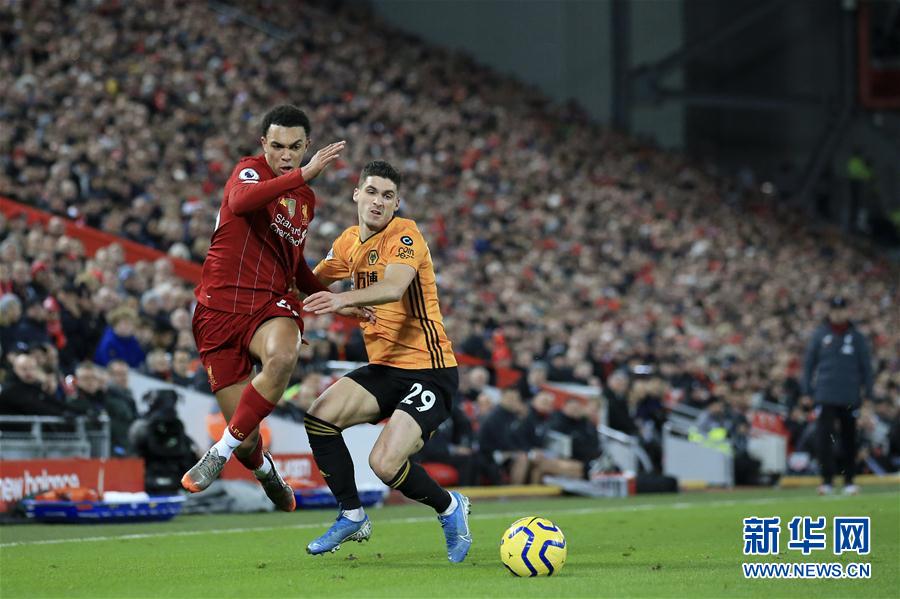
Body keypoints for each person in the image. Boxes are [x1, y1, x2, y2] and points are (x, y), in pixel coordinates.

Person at [300, 160, 472, 562]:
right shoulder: (347, 243)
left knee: (384, 462)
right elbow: (307, 284)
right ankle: (352, 514)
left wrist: (341, 300)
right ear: (357, 194)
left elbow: (394, 286)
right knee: (319, 417)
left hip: (429, 369)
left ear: (396, 204)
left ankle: (450, 507)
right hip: (385, 368)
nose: (378, 201)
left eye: (388, 196)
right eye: (372, 192)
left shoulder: (405, 235)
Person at [180, 105, 348, 512]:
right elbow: (240, 203)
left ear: (307, 145)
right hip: (217, 311)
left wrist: (342, 302)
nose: (285, 155)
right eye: (277, 146)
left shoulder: (304, 199)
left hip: (269, 304)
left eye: (295, 147)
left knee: (282, 357)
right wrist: (303, 173)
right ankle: (264, 470)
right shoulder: (249, 171)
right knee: (248, 438)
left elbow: (294, 264)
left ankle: (217, 452)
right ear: (263, 144)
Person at [802, 296, 874, 495]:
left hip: (850, 396)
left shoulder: (857, 337)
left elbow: (866, 368)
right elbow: (808, 365)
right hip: (825, 395)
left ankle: (849, 480)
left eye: (841, 309)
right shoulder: (820, 335)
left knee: (850, 439)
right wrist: (807, 392)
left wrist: (868, 395)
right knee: (823, 439)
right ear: (830, 311)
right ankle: (827, 480)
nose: (838, 313)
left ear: (847, 311)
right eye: (834, 309)